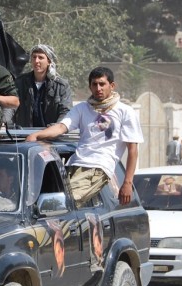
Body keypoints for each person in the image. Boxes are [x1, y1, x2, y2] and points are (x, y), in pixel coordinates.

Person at [26, 67, 144, 206]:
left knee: (62, 204)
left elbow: (133, 150)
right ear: (90, 87)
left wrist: (127, 183)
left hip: (98, 168)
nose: (98, 88)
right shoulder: (82, 108)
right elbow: (61, 127)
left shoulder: (125, 111)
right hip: (73, 164)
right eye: (94, 84)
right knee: (43, 201)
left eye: (102, 84)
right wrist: (36, 135)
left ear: (112, 86)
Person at [13, 44, 73, 128]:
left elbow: (65, 111)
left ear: (49, 61)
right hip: (25, 134)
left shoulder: (61, 86)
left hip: (51, 136)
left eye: (40, 57)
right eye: (34, 57)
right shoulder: (20, 82)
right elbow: (11, 106)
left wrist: (57, 127)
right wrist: (7, 123)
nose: (36, 61)